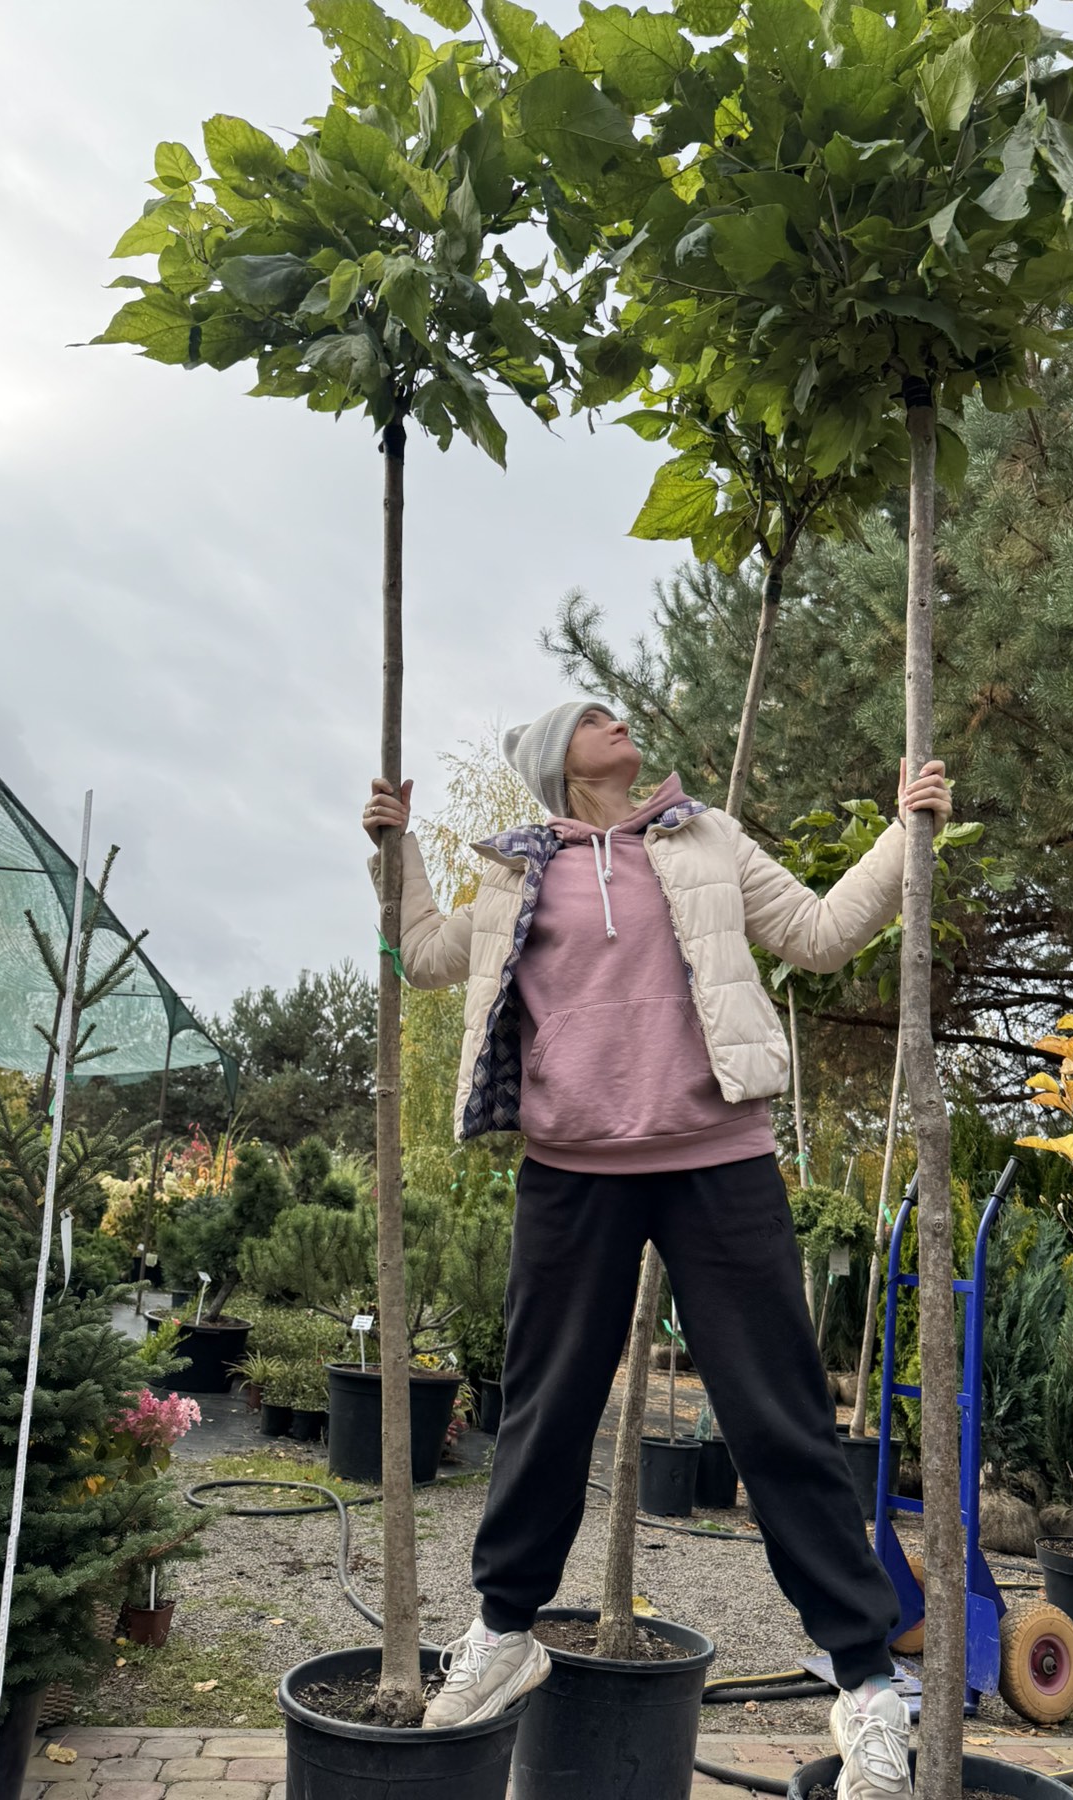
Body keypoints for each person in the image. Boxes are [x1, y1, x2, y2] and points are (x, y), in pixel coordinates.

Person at [363, 701, 953, 1800]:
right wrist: (394, 853)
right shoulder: (516, 870)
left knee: (780, 1418)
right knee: (545, 1409)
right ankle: (505, 1632)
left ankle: (871, 1687)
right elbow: (427, 957)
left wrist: (903, 832)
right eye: (596, 717)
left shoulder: (706, 836)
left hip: (717, 1158)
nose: (621, 719)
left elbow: (821, 932)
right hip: (571, 1169)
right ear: (559, 760)